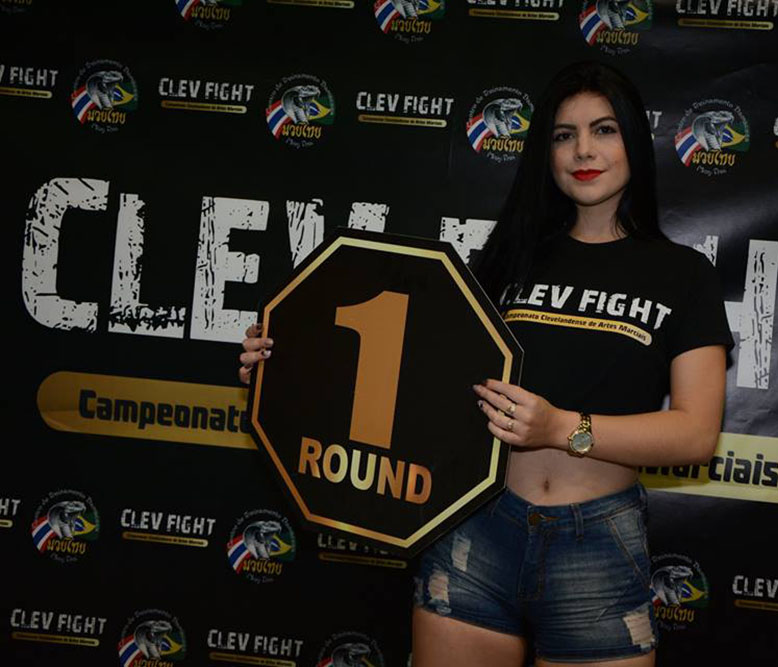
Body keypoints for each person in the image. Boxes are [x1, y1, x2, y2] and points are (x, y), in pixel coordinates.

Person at [240, 61, 733, 666]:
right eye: (564, 135)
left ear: (633, 139)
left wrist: (561, 428)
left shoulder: (684, 274)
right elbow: (403, 374)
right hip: (475, 524)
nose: (583, 150)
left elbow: (695, 434)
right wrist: (288, 364)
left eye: (603, 130)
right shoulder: (504, 261)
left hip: (598, 542)